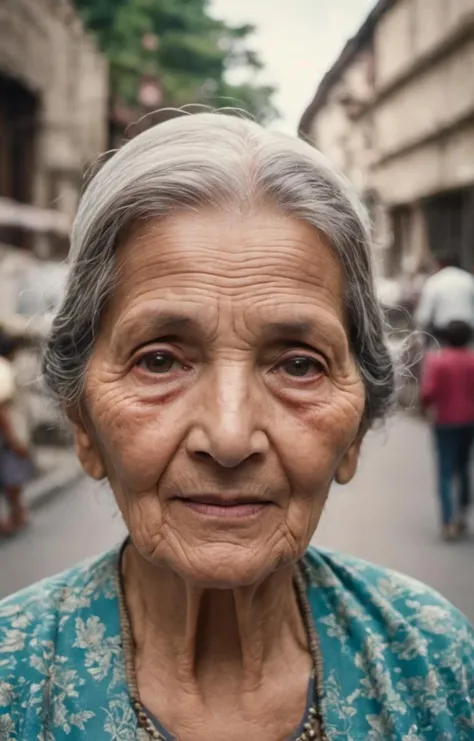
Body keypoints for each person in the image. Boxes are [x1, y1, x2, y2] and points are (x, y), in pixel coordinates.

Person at [0, 112, 473, 740]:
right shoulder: (15, 681)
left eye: (299, 365)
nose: (228, 439)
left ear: (356, 428)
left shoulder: (436, 663)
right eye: (159, 360)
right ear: (82, 420)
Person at [420, 320, 474, 541]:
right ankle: (461, 513)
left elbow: (429, 391)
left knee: (444, 470)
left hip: (445, 422)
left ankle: (447, 520)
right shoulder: (472, 362)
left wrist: (423, 407)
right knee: (463, 467)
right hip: (469, 422)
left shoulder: (437, 361)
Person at [0, 331, 32, 535]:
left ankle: (17, 515)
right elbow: (1, 408)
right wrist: (14, 440)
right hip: (4, 437)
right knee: (11, 477)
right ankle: (14, 517)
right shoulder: (3, 368)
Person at [415, 253, 474, 342]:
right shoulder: (469, 279)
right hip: (468, 331)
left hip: (443, 334)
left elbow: (423, 316)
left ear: (440, 264)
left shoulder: (434, 281)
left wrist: (420, 336)